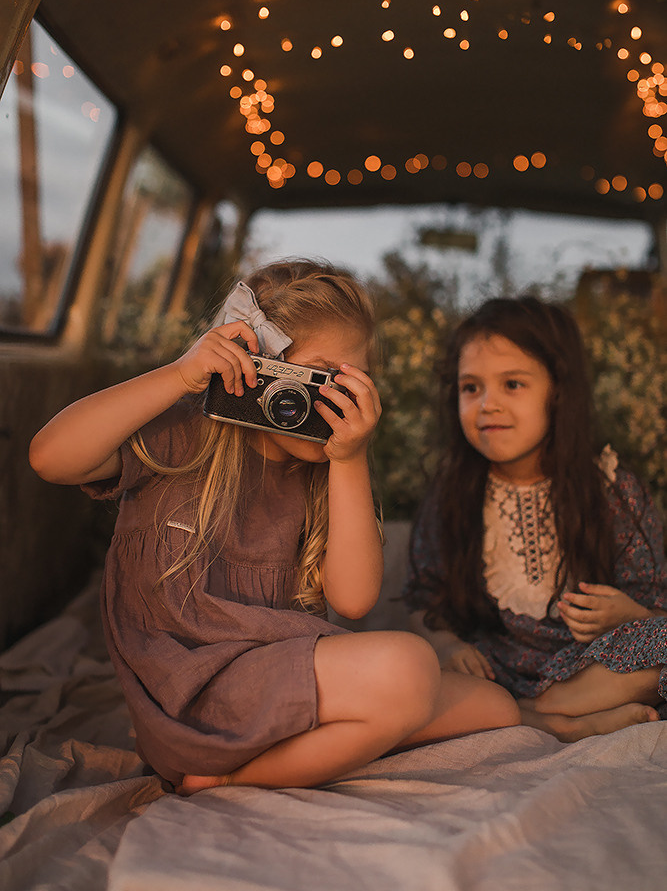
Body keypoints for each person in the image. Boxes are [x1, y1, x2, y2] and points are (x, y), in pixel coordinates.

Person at [30, 259, 519, 793]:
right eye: (314, 379)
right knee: (408, 670)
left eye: (346, 383)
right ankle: (225, 779)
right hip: (196, 694)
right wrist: (179, 375)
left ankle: (339, 734)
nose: (326, 402)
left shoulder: (324, 469)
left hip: (282, 682)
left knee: (497, 708)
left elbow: (354, 601)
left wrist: (350, 460)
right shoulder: (183, 435)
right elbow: (50, 458)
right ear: (252, 368)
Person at [404, 296, 667, 742]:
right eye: (471, 388)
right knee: (405, 675)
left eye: (512, 384)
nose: (487, 404)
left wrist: (628, 614)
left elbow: (654, 604)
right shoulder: (456, 492)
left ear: (559, 392)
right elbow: (423, 598)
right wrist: (449, 647)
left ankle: (537, 713)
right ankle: (554, 722)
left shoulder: (609, 485)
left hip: (592, 668)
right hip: (494, 668)